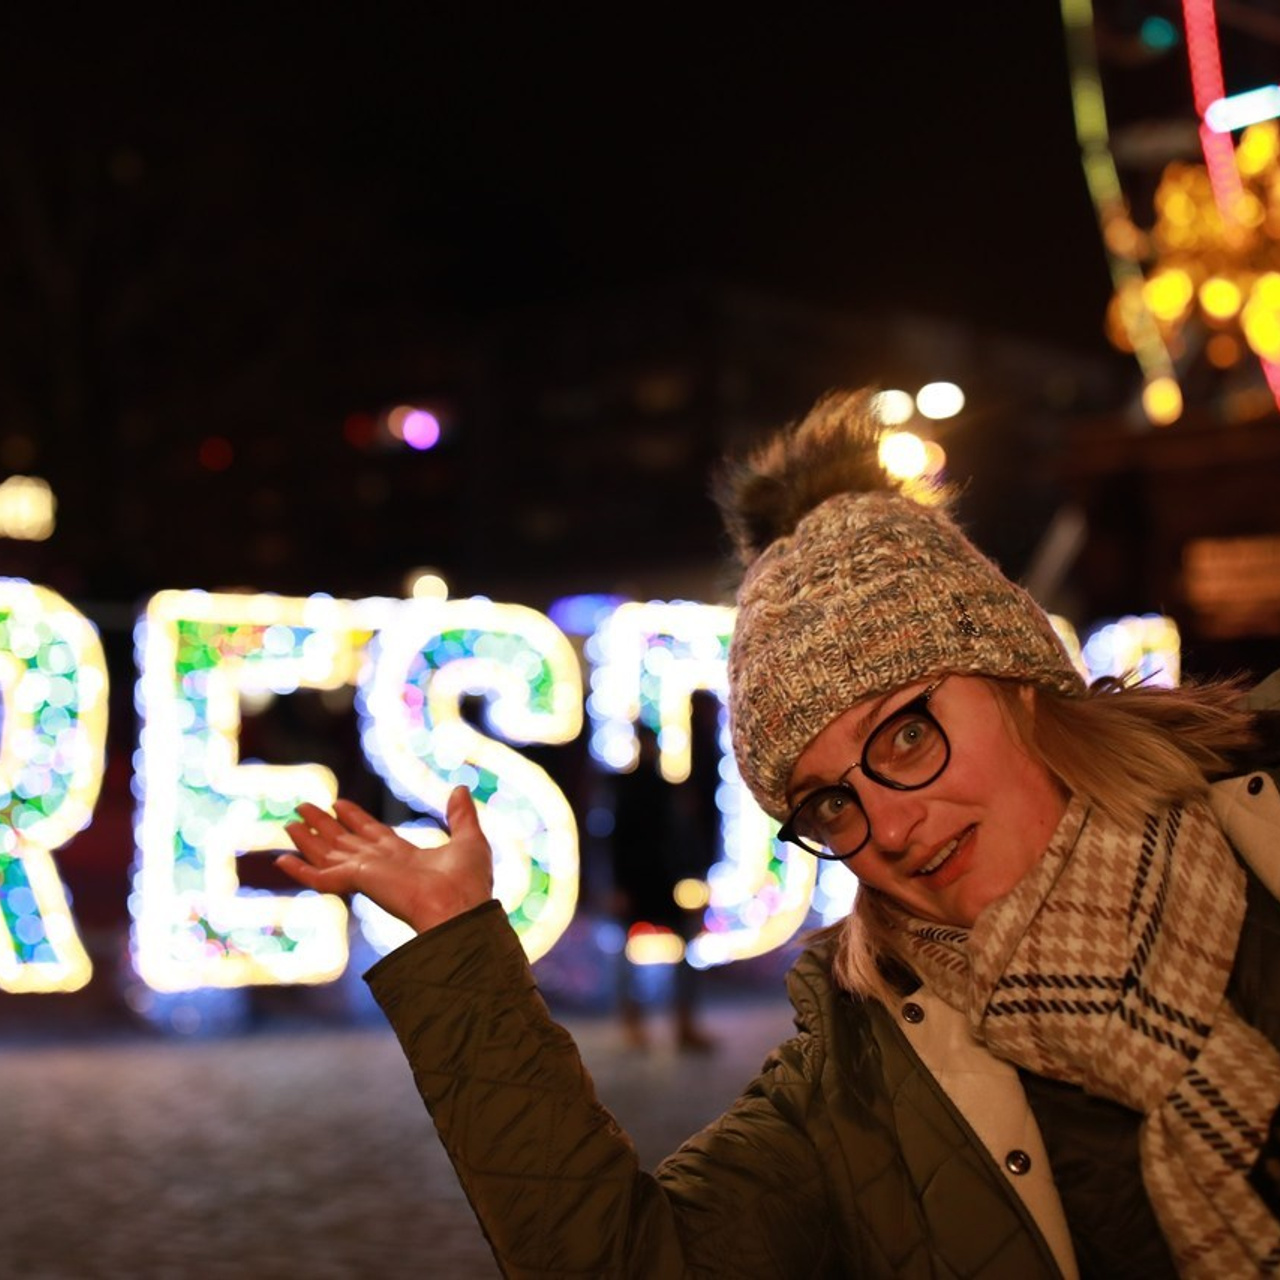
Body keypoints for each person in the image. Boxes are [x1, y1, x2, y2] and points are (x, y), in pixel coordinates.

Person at [280, 389, 1280, 1278]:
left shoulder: (1261, 831)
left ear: (1020, 683)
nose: (885, 821)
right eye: (828, 801)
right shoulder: (852, 1085)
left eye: (903, 731)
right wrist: (462, 955)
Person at [607, 721, 716, 1052]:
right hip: (641, 881)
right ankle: (635, 1023)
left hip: (665, 880)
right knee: (630, 956)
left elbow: (681, 835)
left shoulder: (667, 788)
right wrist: (618, 885)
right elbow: (617, 840)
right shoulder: (628, 789)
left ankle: (682, 1024)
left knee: (682, 951)